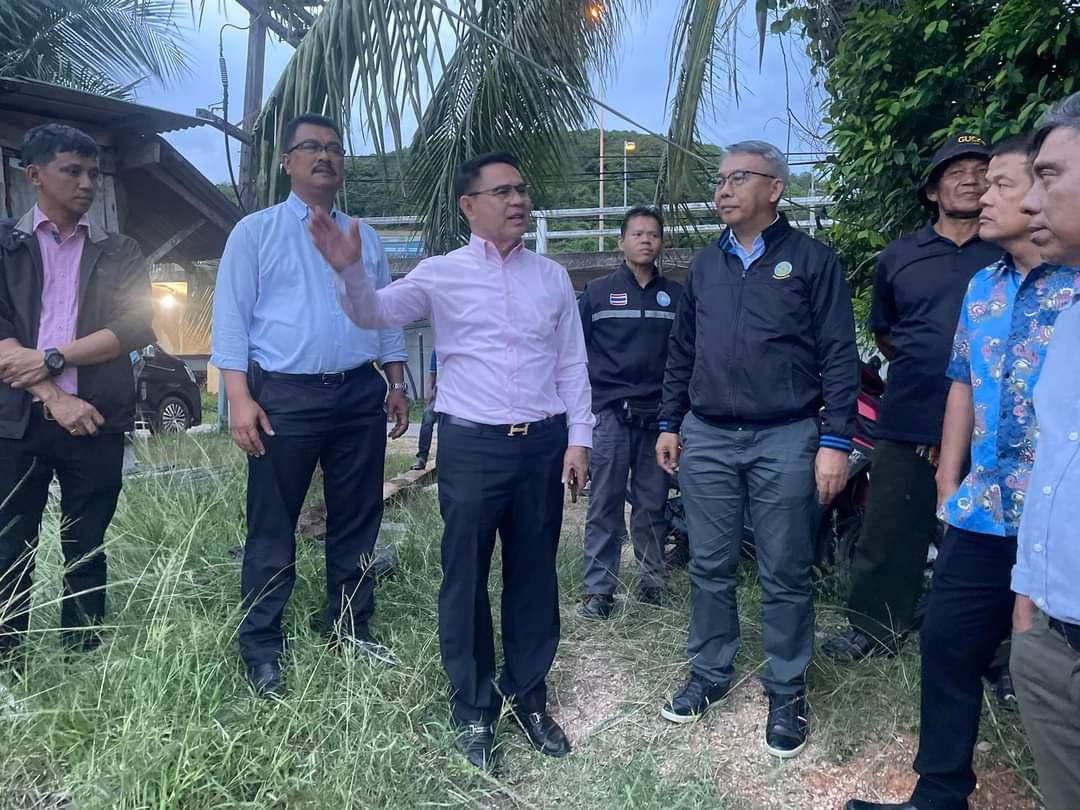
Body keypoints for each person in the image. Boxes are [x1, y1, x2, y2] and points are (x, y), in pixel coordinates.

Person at [309, 151, 592, 771]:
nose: (518, 201)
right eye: (502, 192)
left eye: (521, 190)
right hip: (472, 446)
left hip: (541, 444)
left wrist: (579, 438)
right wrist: (349, 271)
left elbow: (572, 361)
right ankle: (473, 707)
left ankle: (529, 696)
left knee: (534, 575)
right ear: (469, 206)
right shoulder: (441, 274)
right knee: (465, 576)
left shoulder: (551, 278)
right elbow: (373, 314)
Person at [845, 135, 1079, 810]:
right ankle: (939, 792)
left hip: (1057, 516)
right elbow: (962, 383)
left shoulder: (1074, 289)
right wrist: (950, 485)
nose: (984, 194)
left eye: (1000, 182)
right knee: (946, 641)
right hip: (984, 507)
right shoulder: (983, 288)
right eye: (980, 181)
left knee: (1046, 663)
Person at [655, 141, 858, 758]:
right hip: (708, 435)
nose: (722, 189)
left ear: (774, 188)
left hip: (786, 436)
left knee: (785, 568)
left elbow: (839, 356)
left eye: (737, 178)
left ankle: (787, 687)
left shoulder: (812, 261)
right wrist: (669, 423)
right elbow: (682, 350)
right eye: (719, 179)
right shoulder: (705, 266)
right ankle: (710, 670)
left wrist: (835, 440)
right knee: (709, 563)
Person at [210, 113, 410, 698]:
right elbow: (231, 319)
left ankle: (349, 627)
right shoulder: (255, 233)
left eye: (334, 148)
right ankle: (262, 646)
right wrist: (239, 397)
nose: (324, 156)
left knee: (358, 518)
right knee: (273, 523)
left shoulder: (365, 237)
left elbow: (384, 312)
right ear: (287, 162)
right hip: (284, 398)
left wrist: (396, 381)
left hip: (358, 393)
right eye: (310, 147)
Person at [825, 134, 1001, 661]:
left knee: (990, 534)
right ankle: (874, 627)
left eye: (981, 171)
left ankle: (994, 649)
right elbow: (884, 332)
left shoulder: (1009, 252)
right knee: (889, 529)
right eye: (956, 172)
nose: (970, 180)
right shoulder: (901, 256)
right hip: (909, 413)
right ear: (932, 191)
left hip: (991, 420)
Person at [0, 124, 154, 659]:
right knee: (8, 547)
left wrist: (52, 358)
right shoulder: (5, 246)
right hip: (16, 422)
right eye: (72, 171)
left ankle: (82, 658)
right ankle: (8, 665)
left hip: (96, 420)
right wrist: (55, 395)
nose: (87, 183)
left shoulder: (119, 250)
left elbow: (134, 326)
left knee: (86, 546)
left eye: (93, 173)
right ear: (35, 175)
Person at [1010, 92, 1080, 810]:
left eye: (1048, 176)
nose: (1031, 201)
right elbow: (1054, 464)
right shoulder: (1069, 323)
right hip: (1055, 643)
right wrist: (1030, 591)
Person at [577, 206, 682, 618]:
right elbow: (574, 353)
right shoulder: (598, 293)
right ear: (621, 241)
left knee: (652, 505)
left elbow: (684, 357)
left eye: (653, 234)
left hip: (659, 419)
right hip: (610, 416)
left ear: (661, 243)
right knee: (604, 504)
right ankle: (599, 590)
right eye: (637, 234)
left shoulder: (676, 297)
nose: (645, 240)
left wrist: (676, 417)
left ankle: (652, 583)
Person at [411, 349, 437, 471]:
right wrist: (429, 393)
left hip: (457, 398)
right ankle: (422, 457)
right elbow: (432, 375)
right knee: (427, 415)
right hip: (440, 396)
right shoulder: (437, 350)